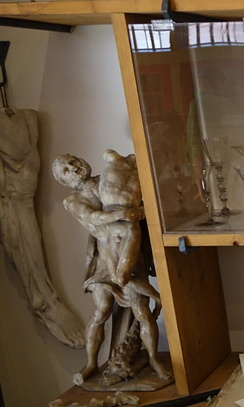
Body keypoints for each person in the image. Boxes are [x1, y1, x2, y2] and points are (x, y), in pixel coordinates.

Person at [52, 152, 171, 386]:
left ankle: (154, 359)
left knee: (142, 311)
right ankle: (91, 363)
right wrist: (123, 214)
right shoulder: (72, 200)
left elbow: (138, 202)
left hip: (130, 251)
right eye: (66, 170)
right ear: (63, 181)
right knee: (102, 310)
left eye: (74, 162)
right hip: (105, 260)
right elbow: (93, 216)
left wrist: (139, 212)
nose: (74, 168)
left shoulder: (108, 178)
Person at [0, 108, 85, 347]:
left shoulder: (27, 120)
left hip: (19, 202)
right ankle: (45, 300)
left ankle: (44, 298)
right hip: (12, 205)